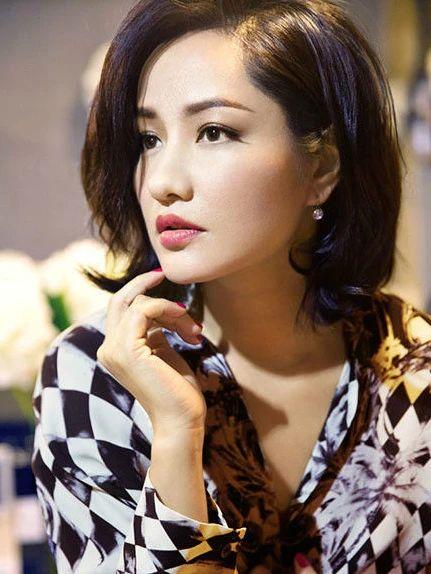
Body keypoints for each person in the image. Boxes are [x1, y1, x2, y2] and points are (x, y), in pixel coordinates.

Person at [31, 0, 431, 572]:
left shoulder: (416, 373)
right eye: (148, 139)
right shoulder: (93, 375)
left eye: (214, 132)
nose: (163, 182)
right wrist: (176, 434)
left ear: (321, 169)